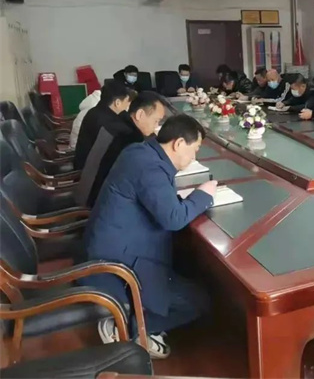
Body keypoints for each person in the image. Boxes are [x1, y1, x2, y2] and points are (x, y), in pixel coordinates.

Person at [81, 114, 219, 359]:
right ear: (178, 144)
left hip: (114, 246)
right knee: (200, 301)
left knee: (188, 268)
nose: (194, 157)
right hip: (119, 264)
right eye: (195, 149)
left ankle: (145, 320)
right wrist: (203, 195)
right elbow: (173, 218)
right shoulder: (150, 167)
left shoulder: (140, 151)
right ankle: (126, 328)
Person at [78, 91, 166, 207]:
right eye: (156, 121)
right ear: (140, 114)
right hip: (100, 205)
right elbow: (144, 182)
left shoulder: (119, 123)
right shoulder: (130, 139)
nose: (156, 126)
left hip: (88, 193)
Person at [73, 81, 135, 170]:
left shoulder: (97, 110)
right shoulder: (106, 122)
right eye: (127, 101)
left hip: (89, 163)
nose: (128, 105)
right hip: (90, 171)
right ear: (117, 103)